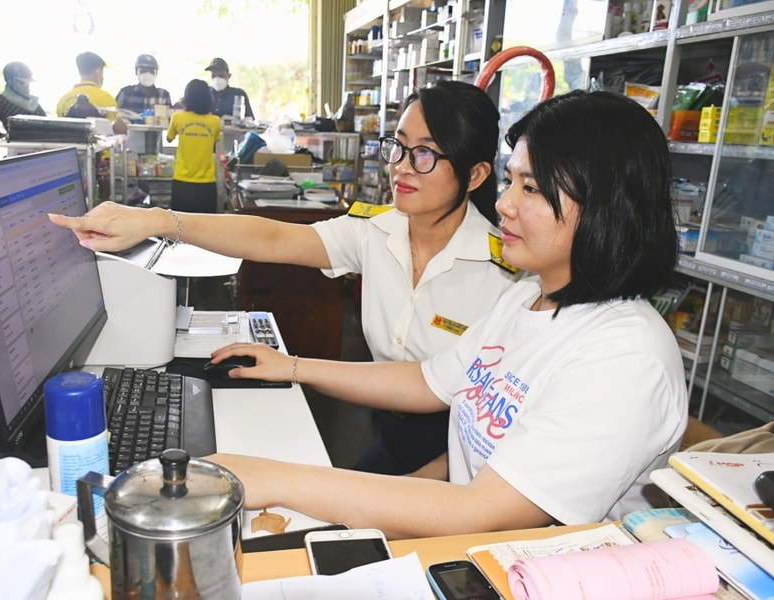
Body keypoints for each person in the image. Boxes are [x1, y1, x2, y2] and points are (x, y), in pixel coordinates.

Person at [63, 90, 689, 539]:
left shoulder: (623, 354)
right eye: (512, 181)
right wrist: (292, 368)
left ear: (607, 207)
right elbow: (428, 379)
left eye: (532, 189)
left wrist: (269, 477)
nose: (506, 205)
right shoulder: (529, 296)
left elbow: (484, 511)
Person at [48, 80, 520, 476]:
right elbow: (271, 239)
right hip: (391, 435)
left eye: (425, 155)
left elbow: (491, 432)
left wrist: (423, 490)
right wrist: (155, 222)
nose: (399, 167)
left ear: (475, 175)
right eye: (398, 146)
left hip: (464, 457)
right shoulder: (377, 231)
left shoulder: (508, 277)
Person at [165, 79, 221, 213]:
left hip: (182, 180)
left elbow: (169, 138)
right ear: (208, 98)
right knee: (205, 227)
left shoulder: (177, 118)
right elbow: (216, 139)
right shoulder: (215, 121)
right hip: (207, 183)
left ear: (186, 97)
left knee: (179, 225)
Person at [56, 51, 125, 134]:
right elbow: (120, 129)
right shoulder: (105, 97)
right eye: (102, 72)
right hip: (99, 146)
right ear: (98, 71)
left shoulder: (63, 100)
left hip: (70, 146)